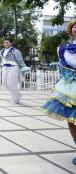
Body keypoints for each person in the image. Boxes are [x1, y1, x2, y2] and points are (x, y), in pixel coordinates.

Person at [42, 19, 76, 165]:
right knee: (70, 119)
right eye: (75, 26)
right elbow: (64, 71)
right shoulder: (63, 48)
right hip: (67, 87)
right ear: (71, 29)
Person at [0, 38, 30, 104]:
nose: (5, 44)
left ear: (11, 43)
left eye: (7, 42)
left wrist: (23, 66)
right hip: (4, 68)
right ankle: (17, 94)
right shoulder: (2, 51)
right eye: (4, 42)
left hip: (13, 68)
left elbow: (20, 60)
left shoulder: (15, 51)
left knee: (11, 84)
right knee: (4, 83)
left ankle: (15, 100)